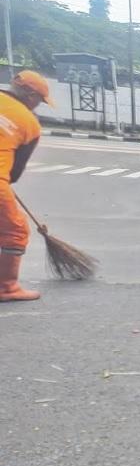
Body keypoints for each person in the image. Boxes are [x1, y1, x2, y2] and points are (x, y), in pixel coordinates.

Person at [0, 71, 53, 303]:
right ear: (31, 96)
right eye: (39, 101)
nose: (38, 105)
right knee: (16, 231)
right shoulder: (29, 122)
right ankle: (7, 288)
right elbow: (15, 173)